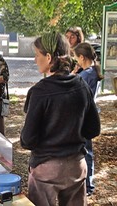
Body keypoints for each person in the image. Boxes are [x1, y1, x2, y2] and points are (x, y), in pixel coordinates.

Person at [20, 32, 100, 205]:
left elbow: (27, 140)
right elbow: (93, 129)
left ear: (48, 57)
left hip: (47, 169)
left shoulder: (39, 92)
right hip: (76, 166)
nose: (35, 60)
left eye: (37, 55)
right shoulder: (81, 84)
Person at [73, 42, 104, 196]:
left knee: (85, 152)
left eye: (76, 58)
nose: (76, 61)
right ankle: (88, 184)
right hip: (89, 116)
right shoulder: (92, 72)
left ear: (82, 57)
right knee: (87, 151)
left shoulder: (85, 75)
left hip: (83, 117)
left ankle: (87, 185)